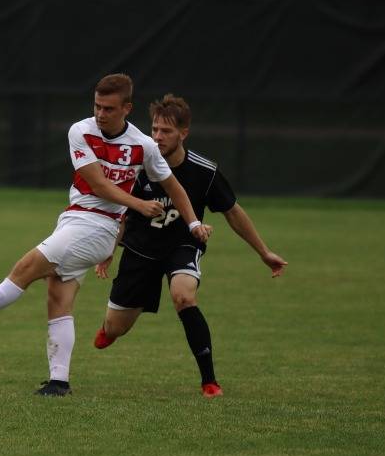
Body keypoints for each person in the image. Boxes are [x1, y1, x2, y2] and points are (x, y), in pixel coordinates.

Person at [0, 74, 213, 396]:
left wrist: (194, 223)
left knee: (23, 271)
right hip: (74, 221)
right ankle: (59, 381)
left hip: (98, 227)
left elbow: (174, 187)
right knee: (58, 297)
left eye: (109, 108)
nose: (100, 113)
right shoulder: (80, 131)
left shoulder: (143, 145)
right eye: (97, 105)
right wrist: (139, 204)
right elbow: (97, 184)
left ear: (127, 108)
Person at [93, 93, 288, 397]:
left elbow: (233, 212)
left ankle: (209, 381)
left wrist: (264, 252)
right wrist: (107, 251)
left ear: (183, 133)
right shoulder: (137, 165)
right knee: (115, 327)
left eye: (166, 131)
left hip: (182, 246)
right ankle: (109, 328)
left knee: (183, 296)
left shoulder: (204, 171)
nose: (158, 137)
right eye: (155, 129)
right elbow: (121, 214)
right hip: (140, 250)